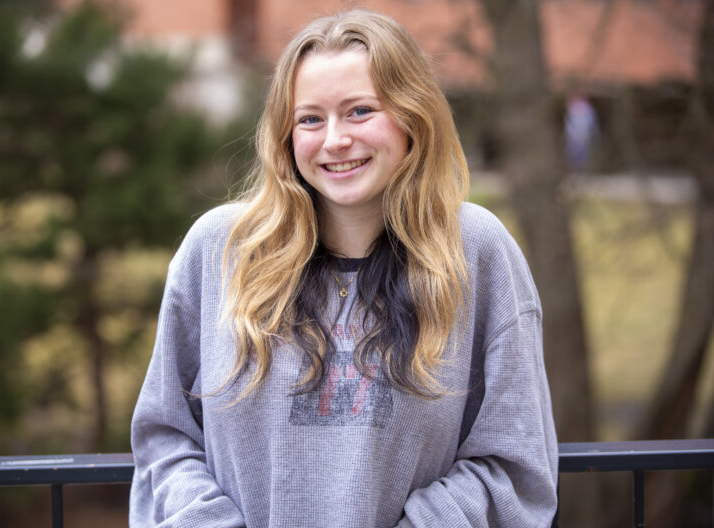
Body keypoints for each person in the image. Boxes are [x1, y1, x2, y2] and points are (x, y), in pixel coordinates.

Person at [130, 9, 558, 528]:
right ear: (286, 137)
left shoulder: (475, 252)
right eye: (310, 119)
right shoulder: (220, 250)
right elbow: (165, 439)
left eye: (359, 111)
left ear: (412, 119)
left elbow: (514, 461)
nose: (334, 139)